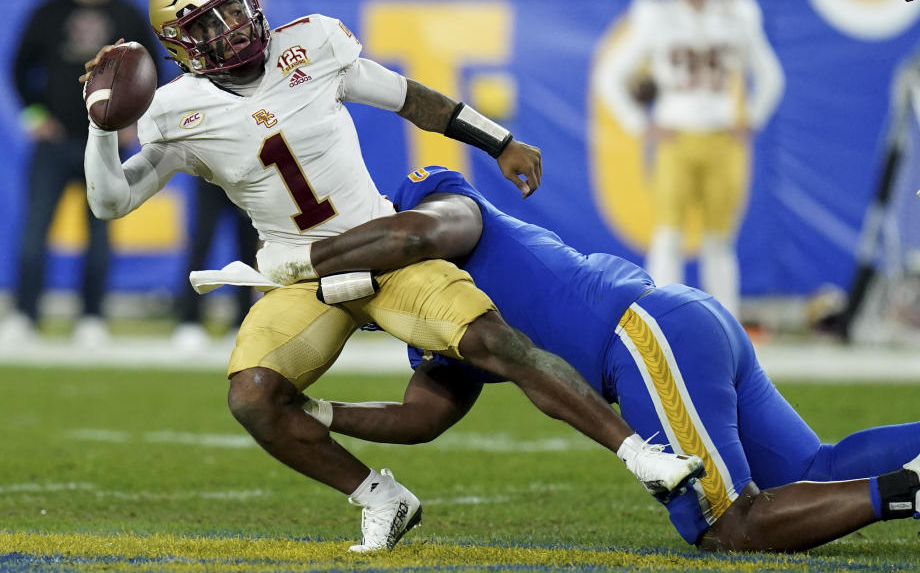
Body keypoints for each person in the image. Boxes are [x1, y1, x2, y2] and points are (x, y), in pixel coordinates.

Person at [81, 0, 704, 552]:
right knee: (252, 397)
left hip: (380, 250)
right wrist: (100, 131)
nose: (236, 26)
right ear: (183, 45)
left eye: (236, 7)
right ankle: (379, 497)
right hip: (299, 276)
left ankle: (642, 456)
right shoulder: (174, 110)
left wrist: (500, 141)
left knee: (496, 343)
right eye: (211, 23)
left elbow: (409, 97)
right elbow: (112, 202)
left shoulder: (313, 43)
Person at [282, 165, 920, 552]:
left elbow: (416, 235)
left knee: (730, 527)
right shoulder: (428, 319)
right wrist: (315, 411)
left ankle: (909, 490)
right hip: (674, 322)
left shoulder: (428, 206)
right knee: (810, 470)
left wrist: (311, 263)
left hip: (641, 335)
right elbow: (419, 418)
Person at [599, 0, 784, 319]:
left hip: (722, 137)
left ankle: (726, 326)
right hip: (676, 137)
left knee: (720, 241)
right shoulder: (654, 12)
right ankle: (662, 321)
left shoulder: (737, 10)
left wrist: (751, 117)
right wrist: (639, 124)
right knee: (668, 236)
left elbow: (770, 74)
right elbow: (610, 74)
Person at [0, 0, 161, 347]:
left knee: (99, 233)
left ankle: (92, 318)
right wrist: (33, 115)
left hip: (103, 144)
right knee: (34, 232)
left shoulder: (127, 13)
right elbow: (18, 68)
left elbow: (154, 71)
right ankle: (24, 317)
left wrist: (132, 123)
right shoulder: (49, 11)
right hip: (54, 141)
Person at [171, 180, 260, 350]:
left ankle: (242, 320)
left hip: (244, 178)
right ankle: (189, 319)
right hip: (212, 172)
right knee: (201, 243)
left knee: (247, 250)